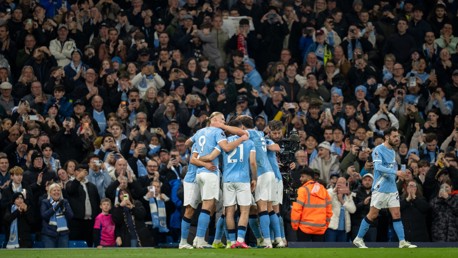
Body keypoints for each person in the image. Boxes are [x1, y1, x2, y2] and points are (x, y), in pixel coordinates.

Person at [353, 127, 417, 248]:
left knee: (396, 214)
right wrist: (396, 172)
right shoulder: (378, 149)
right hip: (380, 187)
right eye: (394, 136)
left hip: (392, 188)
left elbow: (390, 170)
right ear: (387, 137)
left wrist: (399, 175)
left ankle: (402, 241)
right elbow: (378, 167)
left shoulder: (393, 151)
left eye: (397, 136)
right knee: (373, 214)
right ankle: (358, 238)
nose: (397, 138)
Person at [291, 167, 332, 242]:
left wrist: (295, 226)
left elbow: (296, 210)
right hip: (320, 228)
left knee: (302, 253)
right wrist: (325, 225)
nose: (300, 179)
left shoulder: (302, 190)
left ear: (309, 177)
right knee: (318, 253)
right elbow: (329, 210)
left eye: (302, 176)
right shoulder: (323, 189)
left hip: (304, 228)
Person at [40, 183, 73, 248]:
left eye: (58, 190)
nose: (56, 192)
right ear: (50, 192)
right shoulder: (45, 202)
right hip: (48, 234)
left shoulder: (65, 202)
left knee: (63, 255)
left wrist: (63, 209)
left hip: (63, 234)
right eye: (54, 190)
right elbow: (44, 215)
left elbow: (70, 216)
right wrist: (55, 207)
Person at [326, 177, 356, 242]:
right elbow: (326, 203)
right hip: (331, 228)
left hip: (344, 229)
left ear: (346, 185)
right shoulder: (329, 192)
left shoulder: (347, 195)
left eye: (343, 183)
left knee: (342, 250)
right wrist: (334, 192)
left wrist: (342, 200)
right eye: (339, 183)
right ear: (336, 183)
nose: (341, 185)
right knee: (329, 248)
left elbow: (353, 210)